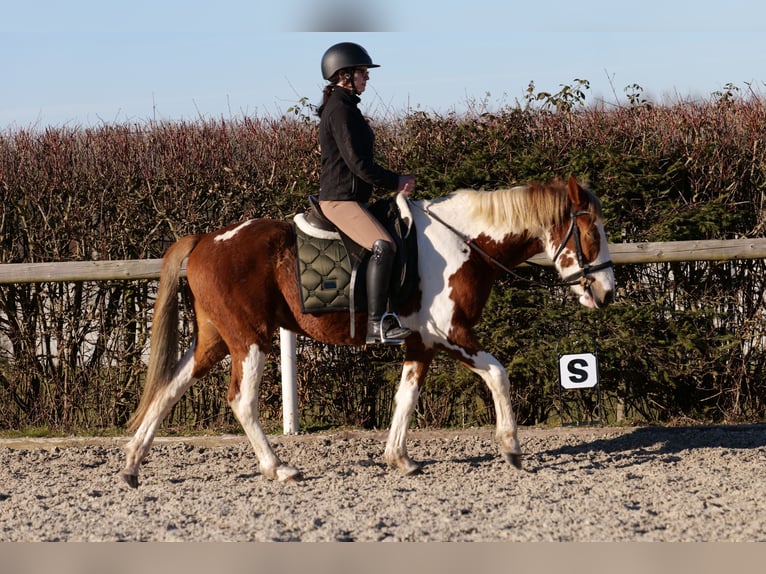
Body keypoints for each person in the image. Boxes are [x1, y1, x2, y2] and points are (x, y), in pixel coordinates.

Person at [316, 42, 415, 345]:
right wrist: (395, 180)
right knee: (384, 245)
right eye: (362, 72)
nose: (367, 78)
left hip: (352, 198)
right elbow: (358, 164)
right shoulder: (341, 110)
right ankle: (377, 325)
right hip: (339, 201)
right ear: (344, 75)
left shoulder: (345, 106)